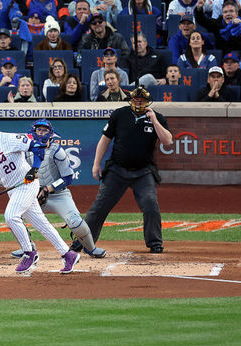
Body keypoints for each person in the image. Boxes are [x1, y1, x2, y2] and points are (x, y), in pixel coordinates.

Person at [0, 110, 81, 274]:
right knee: (41, 224)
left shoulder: (9, 139)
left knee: (11, 216)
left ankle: (29, 253)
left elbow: (38, 147)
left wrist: (34, 169)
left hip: (27, 184)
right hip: (13, 190)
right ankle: (68, 254)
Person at [70, 86, 172, 255]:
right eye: (136, 99)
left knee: (150, 204)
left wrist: (154, 120)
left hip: (144, 171)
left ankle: (155, 243)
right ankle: (81, 242)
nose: (138, 102)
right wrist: (96, 164)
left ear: (148, 102)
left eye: (142, 100)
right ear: (130, 100)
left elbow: (167, 141)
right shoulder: (119, 114)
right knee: (99, 207)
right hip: (117, 169)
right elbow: (105, 140)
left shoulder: (157, 117)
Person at [10, 119, 106, 259]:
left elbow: (68, 177)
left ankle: (90, 248)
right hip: (34, 195)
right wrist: (33, 190)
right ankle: (27, 248)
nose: (41, 133)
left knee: (75, 222)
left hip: (59, 195)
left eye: (44, 130)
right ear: (34, 131)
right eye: (38, 130)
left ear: (50, 133)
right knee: (13, 216)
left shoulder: (57, 151)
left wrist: (48, 189)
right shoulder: (26, 152)